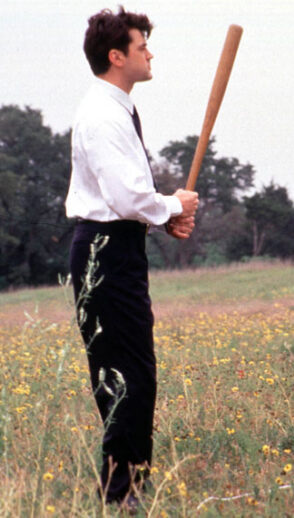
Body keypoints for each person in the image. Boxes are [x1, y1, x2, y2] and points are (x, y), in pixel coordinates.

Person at [65, 7, 199, 510]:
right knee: (125, 378)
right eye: (142, 46)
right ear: (117, 55)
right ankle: (122, 498)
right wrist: (171, 207)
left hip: (118, 246)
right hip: (105, 250)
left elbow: (129, 197)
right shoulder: (102, 115)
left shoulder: (115, 109)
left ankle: (128, 491)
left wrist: (163, 215)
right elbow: (125, 198)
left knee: (135, 375)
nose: (150, 53)